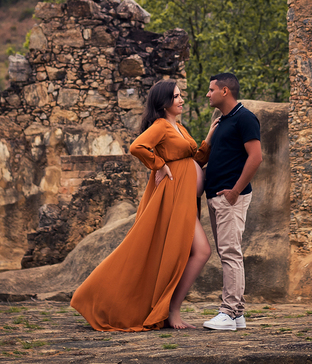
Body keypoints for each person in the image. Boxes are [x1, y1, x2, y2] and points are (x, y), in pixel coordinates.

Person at [70, 79, 215, 331]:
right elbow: (137, 146)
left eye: (181, 95)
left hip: (185, 198)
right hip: (173, 196)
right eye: (176, 97)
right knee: (198, 251)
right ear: (163, 102)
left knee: (192, 253)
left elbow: (195, 157)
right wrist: (159, 164)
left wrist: (212, 134)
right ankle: (170, 310)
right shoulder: (160, 125)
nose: (181, 100)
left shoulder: (179, 126)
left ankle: (170, 308)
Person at [201, 72, 263, 332]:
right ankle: (237, 314)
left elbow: (256, 157)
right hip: (216, 196)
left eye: (211, 89)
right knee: (227, 252)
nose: (208, 94)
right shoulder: (222, 120)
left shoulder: (245, 118)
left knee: (230, 253)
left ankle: (227, 311)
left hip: (230, 197)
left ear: (225, 91)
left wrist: (235, 191)